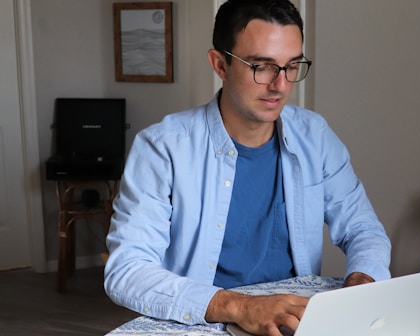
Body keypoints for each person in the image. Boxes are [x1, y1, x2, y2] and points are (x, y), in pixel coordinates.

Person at [104, 0, 391, 335]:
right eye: (262, 66)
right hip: (202, 322)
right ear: (220, 65)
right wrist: (239, 306)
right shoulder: (162, 148)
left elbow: (363, 229)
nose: (281, 85)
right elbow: (126, 270)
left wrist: (363, 279)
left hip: (291, 323)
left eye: (292, 65)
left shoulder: (315, 136)